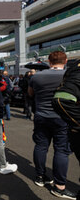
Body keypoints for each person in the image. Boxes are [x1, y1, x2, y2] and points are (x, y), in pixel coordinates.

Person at [28, 51, 76, 199]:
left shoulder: (36, 76)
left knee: (41, 146)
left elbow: (30, 93)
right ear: (66, 60)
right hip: (62, 117)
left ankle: (40, 177)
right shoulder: (69, 76)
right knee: (61, 151)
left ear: (49, 61)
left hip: (41, 115)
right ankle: (59, 185)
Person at [52, 59, 80, 199]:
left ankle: (43, 177)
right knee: (61, 150)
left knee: (45, 146)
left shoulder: (72, 70)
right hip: (67, 121)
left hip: (47, 117)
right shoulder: (76, 71)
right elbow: (61, 99)